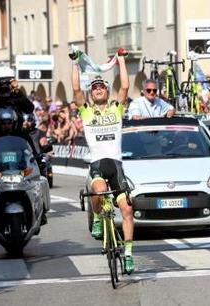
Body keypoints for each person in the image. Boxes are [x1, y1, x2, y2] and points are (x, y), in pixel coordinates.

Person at [71, 48, 135, 274]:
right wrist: (75, 63)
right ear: (92, 93)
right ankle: (98, 217)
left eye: (102, 87)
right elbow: (77, 89)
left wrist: (122, 61)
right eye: (95, 87)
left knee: (126, 209)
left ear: (107, 91)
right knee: (98, 193)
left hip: (116, 165)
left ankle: (127, 254)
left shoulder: (116, 109)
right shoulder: (86, 111)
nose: (98, 89)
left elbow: (125, 86)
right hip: (97, 164)